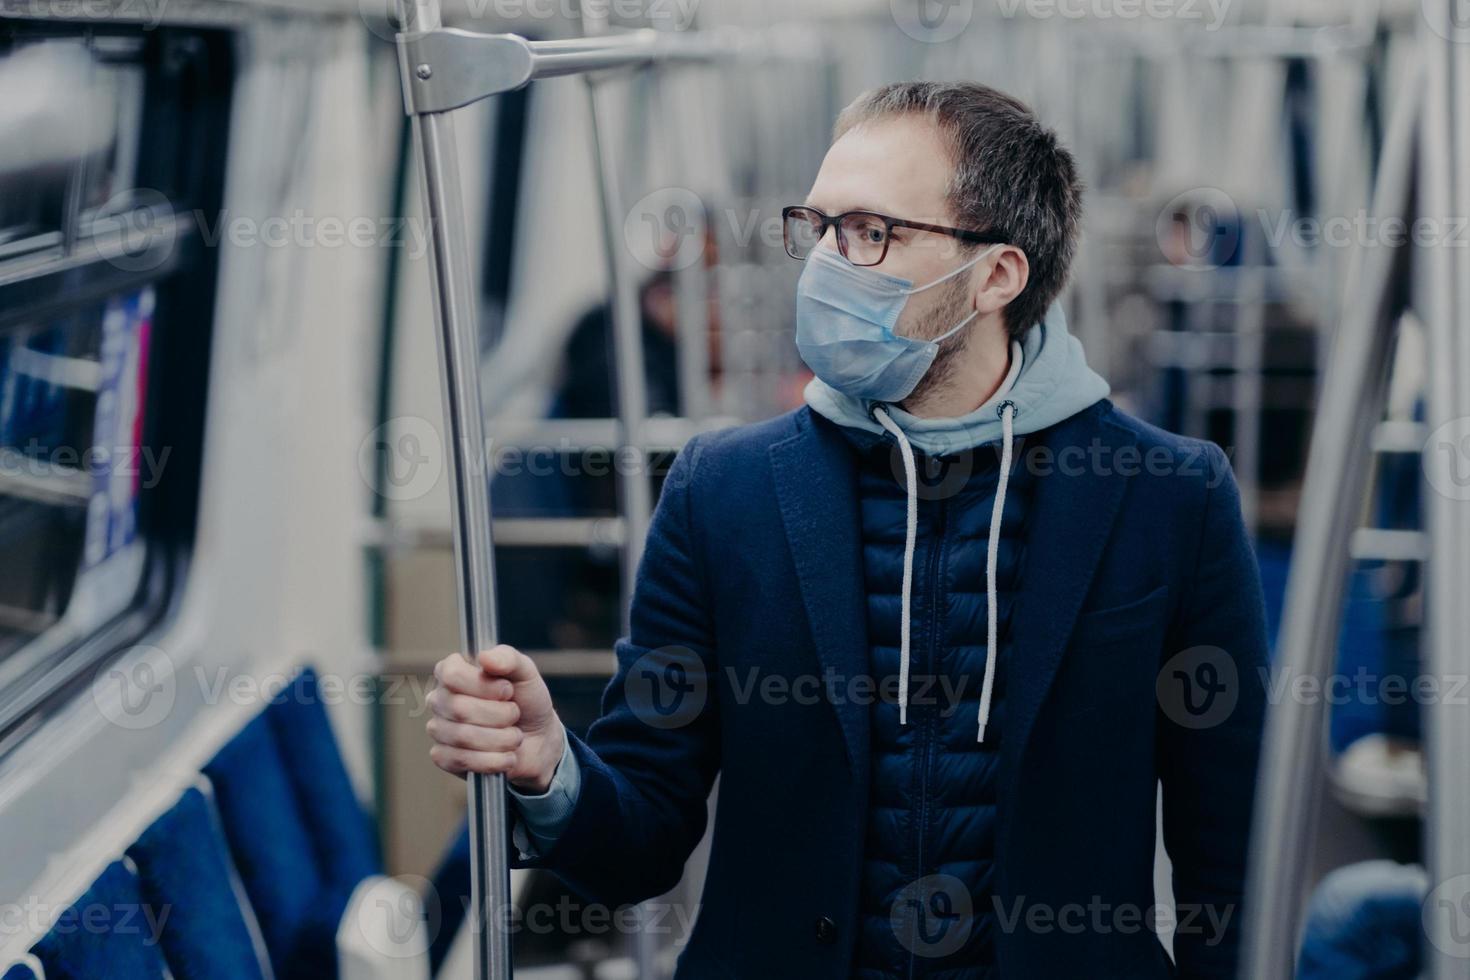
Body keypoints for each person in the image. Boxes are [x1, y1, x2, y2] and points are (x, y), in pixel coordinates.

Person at [426, 81, 1268, 979]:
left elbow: (1235, 861)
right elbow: (640, 843)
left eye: (871, 232)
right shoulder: (726, 493)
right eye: (818, 227)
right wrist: (552, 765)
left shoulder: (1168, 499)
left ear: (996, 275)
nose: (825, 262)